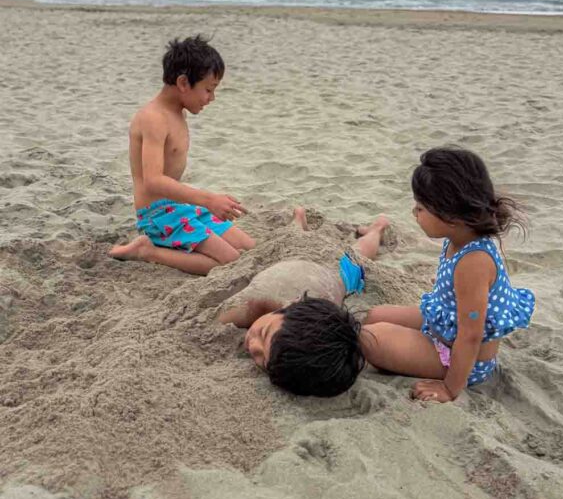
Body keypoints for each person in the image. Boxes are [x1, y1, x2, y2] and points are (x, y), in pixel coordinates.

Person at [361, 147, 535, 402]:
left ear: (451, 216)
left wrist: (450, 387)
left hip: (461, 358)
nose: (414, 213)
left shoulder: (473, 262)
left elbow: (471, 334)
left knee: (372, 340)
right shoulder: (460, 236)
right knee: (373, 315)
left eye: (421, 208)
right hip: (443, 324)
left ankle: (441, 373)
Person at [109, 34, 254, 274]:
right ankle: (147, 251)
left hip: (180, 209)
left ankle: (173, 243)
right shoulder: (153, 118)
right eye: (208, 89)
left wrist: (204, 203)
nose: (212, 98)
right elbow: (153, 180)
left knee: (249, 247)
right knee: (231, 262)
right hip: (158, 216)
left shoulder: (179, 112)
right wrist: (209, 199)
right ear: (184, 83)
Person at [219, 208, 390, 396]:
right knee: (295, 235)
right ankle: (299, 217)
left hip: (336, 274)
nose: (252, 346)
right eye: (262, 332)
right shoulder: (260, 301)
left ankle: (377, 230)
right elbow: (220, 318)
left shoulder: (311, 334)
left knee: (361, 252)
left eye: (262, 360)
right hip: (300, 256)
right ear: (289, 307)